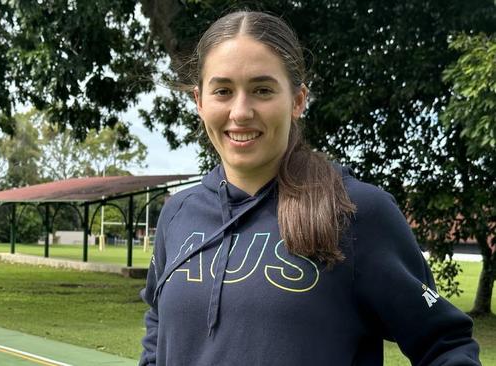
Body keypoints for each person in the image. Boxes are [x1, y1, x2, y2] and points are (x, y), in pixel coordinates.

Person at [139, 10, 480, 366]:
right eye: (223, 90)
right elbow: (158, 331)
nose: (240, 111)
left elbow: (444, 346)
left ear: (298, 100)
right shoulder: (177, 213)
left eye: (262, 90)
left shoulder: (354, 211)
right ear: (199, 101)